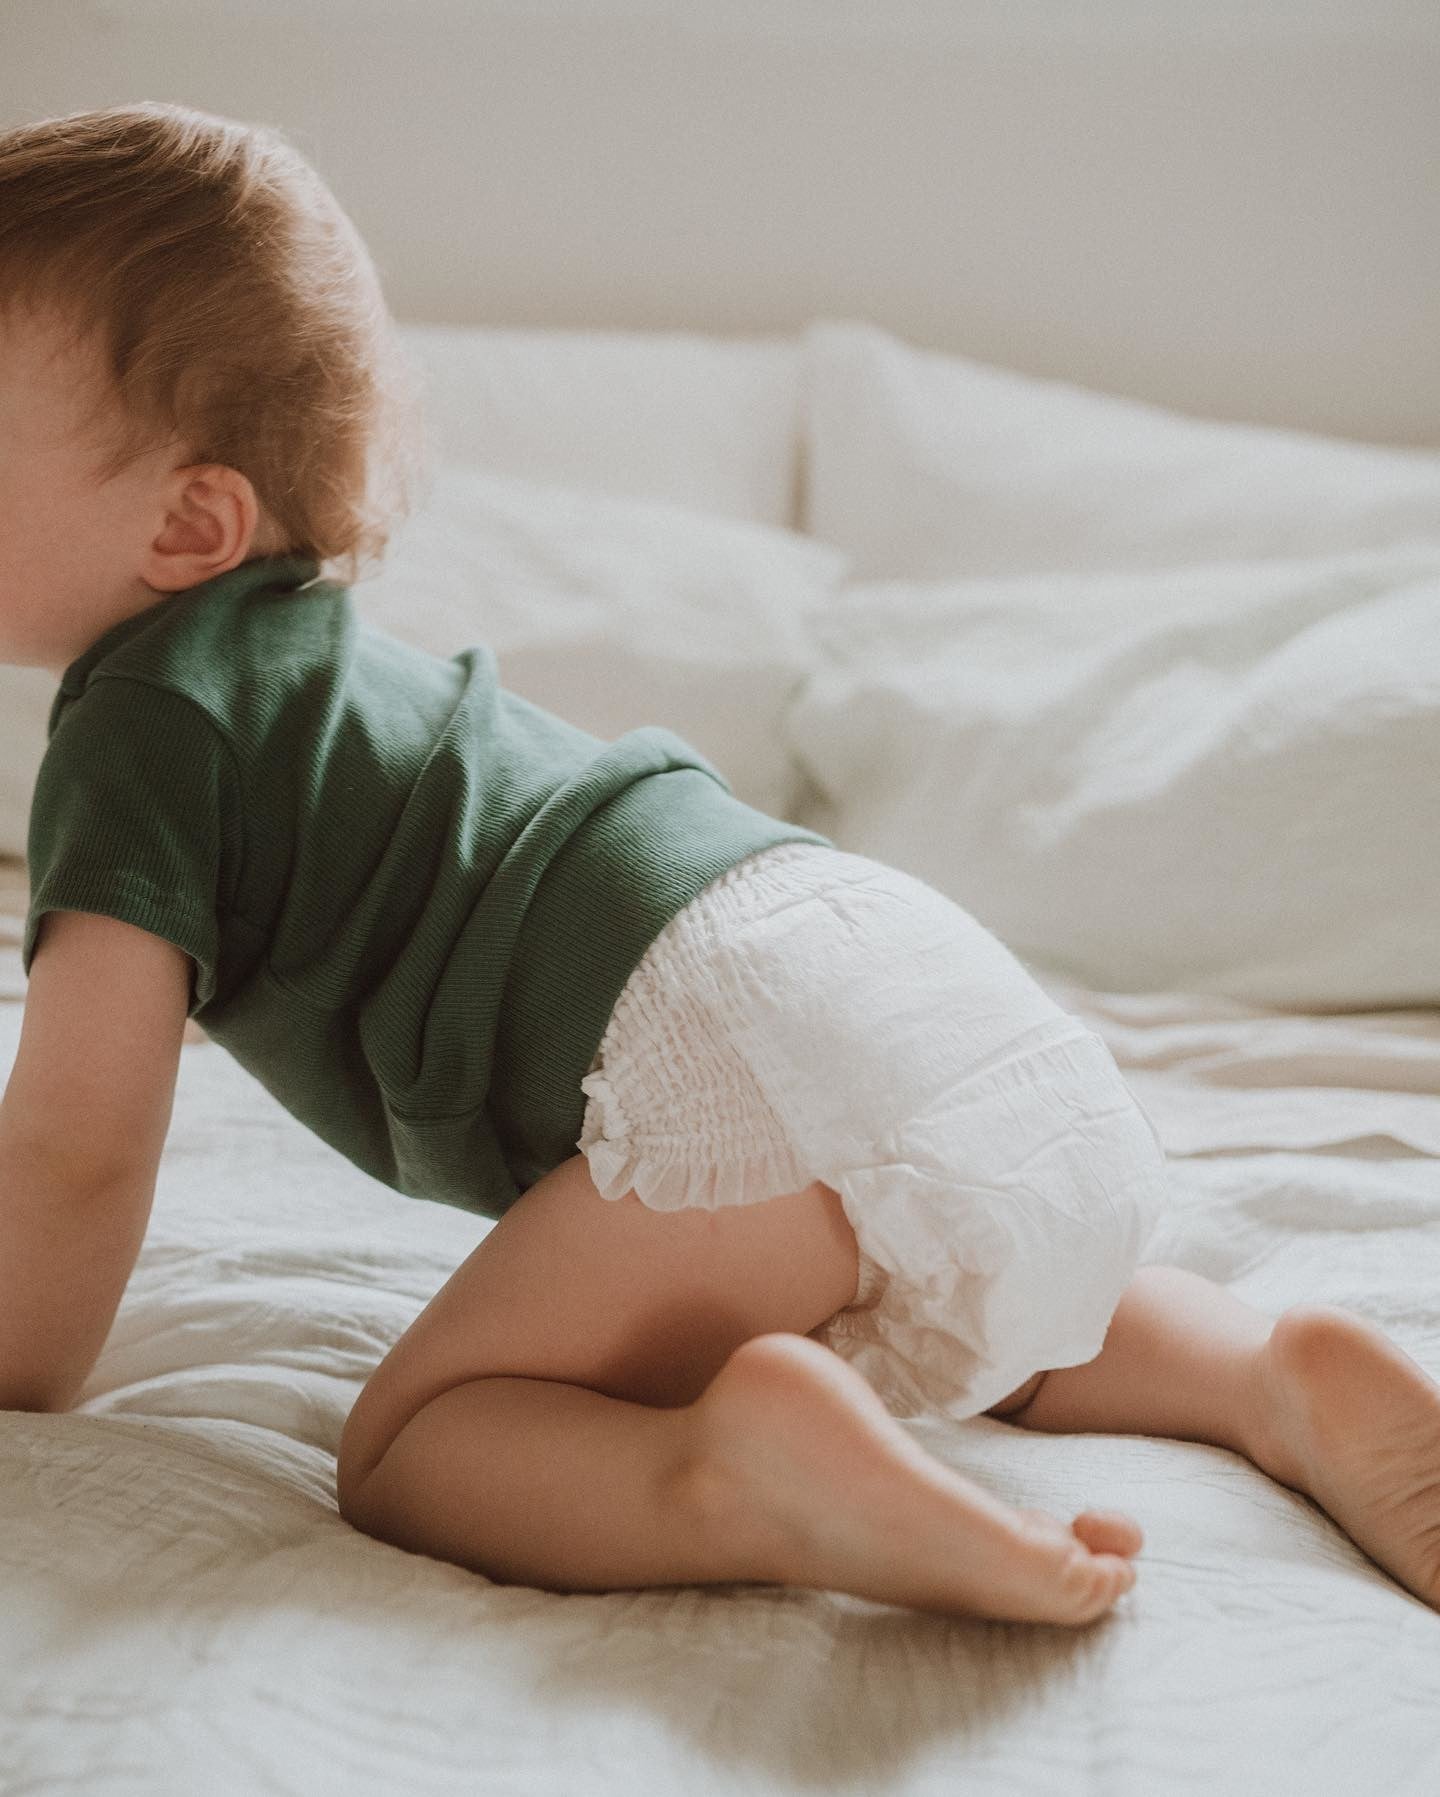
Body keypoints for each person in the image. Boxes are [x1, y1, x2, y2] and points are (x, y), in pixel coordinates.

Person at [3, 102, 1439, 1631]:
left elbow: (76, 1149)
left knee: (423, 1438)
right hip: (887, 960)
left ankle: (733, 1467)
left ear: (192, 520)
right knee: (928, 1263)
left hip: (714, 1037)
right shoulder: (317, 674)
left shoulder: (142, 727)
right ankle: (1267, 1375)